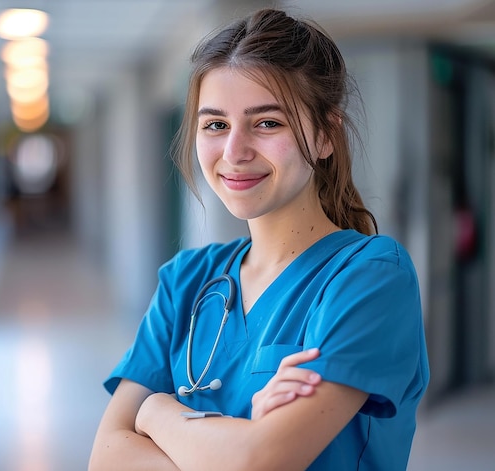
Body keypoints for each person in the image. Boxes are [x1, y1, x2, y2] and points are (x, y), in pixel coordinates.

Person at [89, 7, 429, 471]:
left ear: (325, 135)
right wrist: (238, 440)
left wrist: (155, 412)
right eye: (215, 125)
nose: (234, 152)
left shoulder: (370, 278)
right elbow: (107, 457)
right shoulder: (186, 282)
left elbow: (259, 462)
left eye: (267, 123)